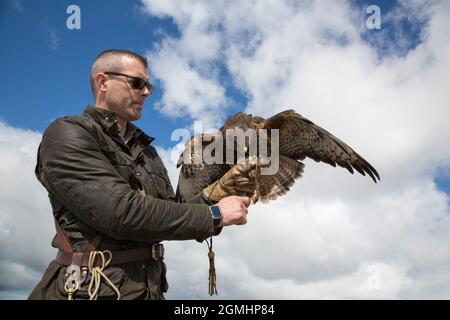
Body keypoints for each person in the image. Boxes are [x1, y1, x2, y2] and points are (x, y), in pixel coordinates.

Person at [28, 49, 255, 300]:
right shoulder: (68, 133)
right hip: (89, 291)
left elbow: (167, 214)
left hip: (150, 290)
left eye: (149, 86)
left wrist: (217, 195)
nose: (146, 92)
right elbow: (120, 213)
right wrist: (214, 214)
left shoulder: (148, 152)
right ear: (103, 82)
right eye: (137, 83)